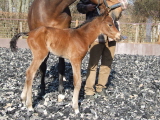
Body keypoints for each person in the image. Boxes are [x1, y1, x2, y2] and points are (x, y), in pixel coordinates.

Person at [77, 0, 121, 98]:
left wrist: (123, 5)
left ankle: (101, 87)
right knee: (93, 63)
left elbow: (120, 8)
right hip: (96, 34)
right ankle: (89, 90)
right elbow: (79, 6)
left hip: (112, 33)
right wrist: (86, 7)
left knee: (107, 62)